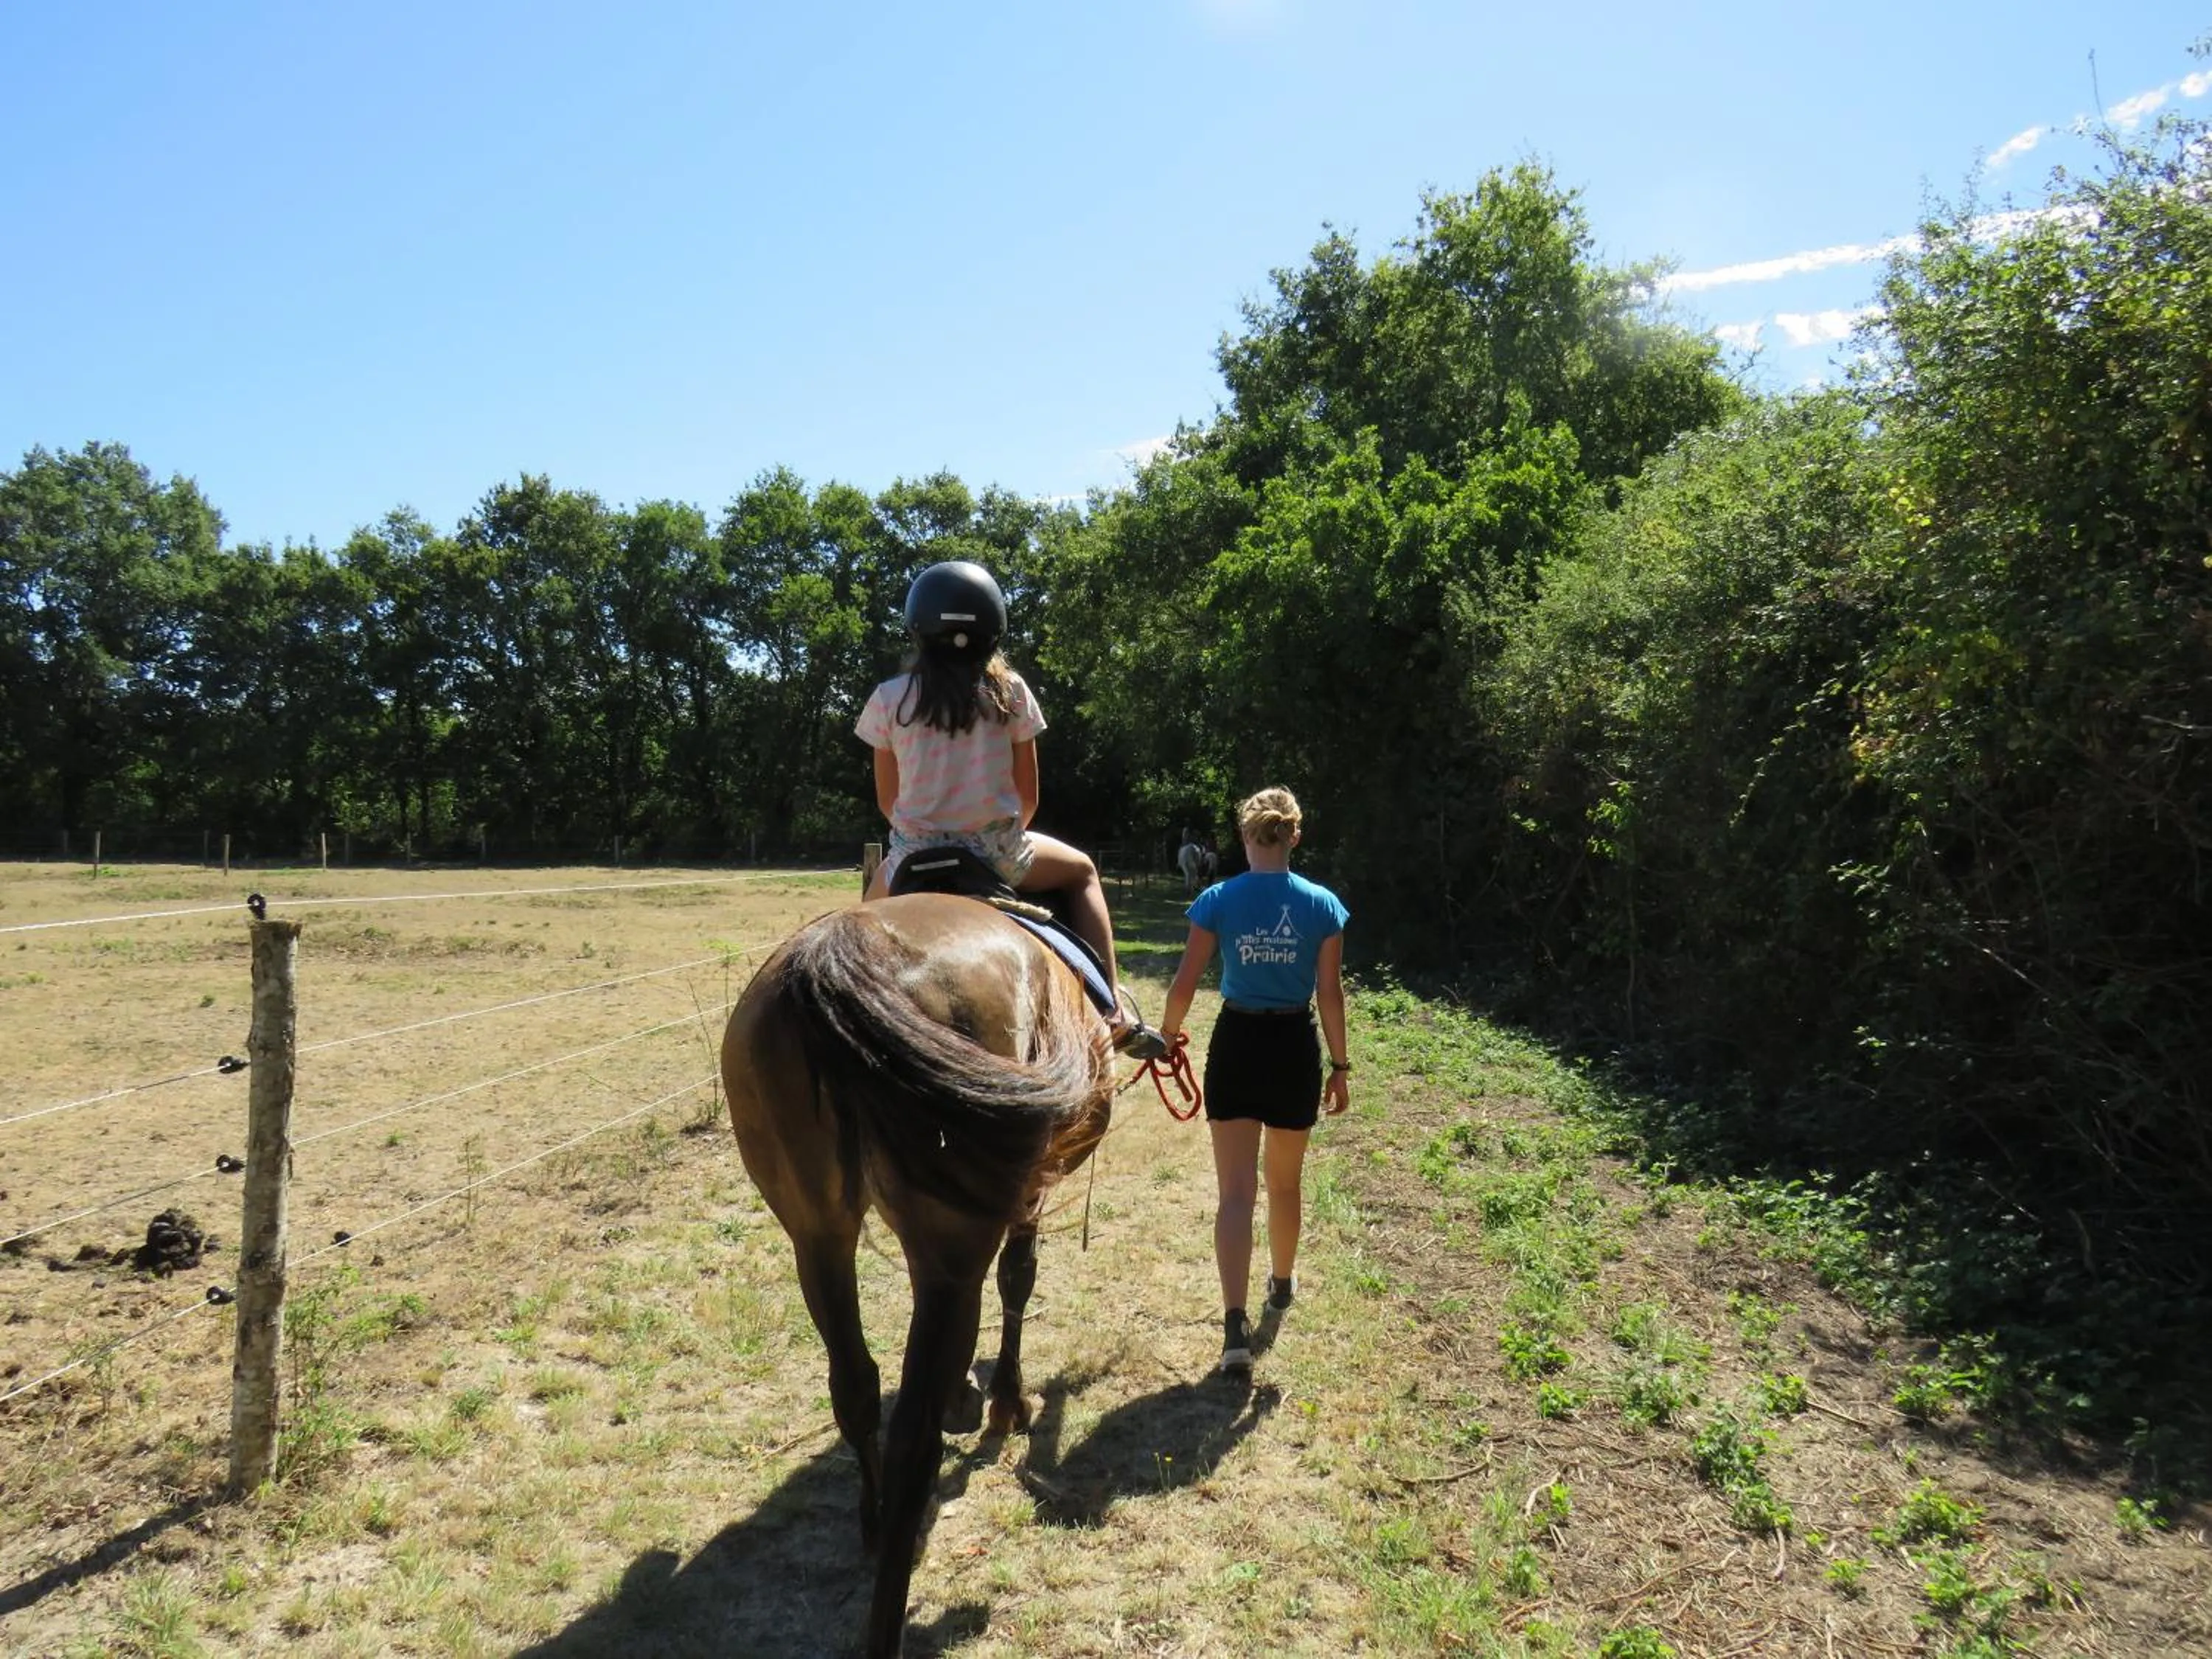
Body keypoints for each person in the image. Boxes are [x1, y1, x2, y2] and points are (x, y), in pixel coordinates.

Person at [856, 559, 1168, 1060]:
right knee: (1084, 872)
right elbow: (1028, 797)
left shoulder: (888, 700)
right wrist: (996, 834)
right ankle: (1112, 1012)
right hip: (995, 854)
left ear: (918, 627)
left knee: (856, 936)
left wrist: (926, 831)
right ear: (993, 631)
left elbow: (887, 802)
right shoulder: (1011, 692)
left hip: (911, 860)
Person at [1157, 786, 1351, 1375]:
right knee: (1285, 1185)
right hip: (1293, 1046)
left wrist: (1164, 1037)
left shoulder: (1217, 898)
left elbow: (1186, 983)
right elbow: (1331, 995)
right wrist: (1341, 1066)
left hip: (1237, 1045)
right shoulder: (1322, 905)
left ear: (1245, 837)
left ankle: (1234, 1329)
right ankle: (1282, 1286)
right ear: (1295, 835)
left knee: (1236, 1193)